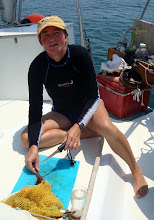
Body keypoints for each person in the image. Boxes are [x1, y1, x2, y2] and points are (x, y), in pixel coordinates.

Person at [20, 15, 148, 198]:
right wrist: (34, 146)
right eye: (46, 35)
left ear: (65, 36)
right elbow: (35, 108)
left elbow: (93, 96)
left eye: (57, 33)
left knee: (107, 127)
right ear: (41, 41)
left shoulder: (79, 55)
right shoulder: (37, 66)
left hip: (89, 107)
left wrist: (78, 125)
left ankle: (135, 171)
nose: (52, 38)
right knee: (26, 138)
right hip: (62, 112)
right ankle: (82, 134)